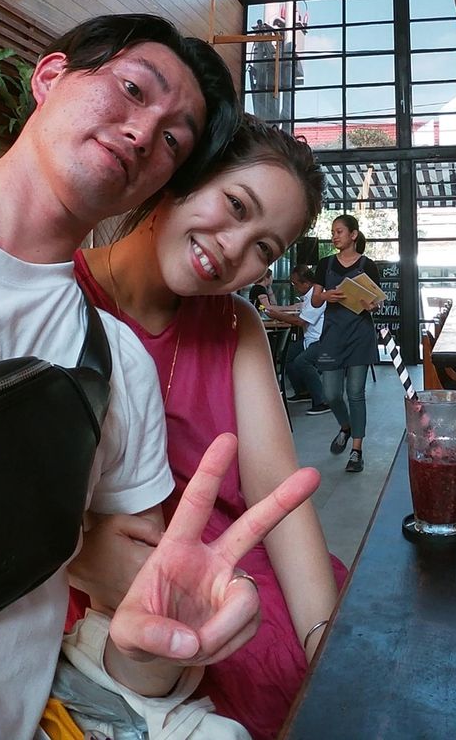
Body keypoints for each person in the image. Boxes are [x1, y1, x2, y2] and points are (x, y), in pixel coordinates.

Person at [0, 14, 320, 739]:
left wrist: (152, 650)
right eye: (132, 89)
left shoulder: (116, 365)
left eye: (174, 140)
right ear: (49, 76)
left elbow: (129, 610)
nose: (144, 131)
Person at [72, 116, 346, 740]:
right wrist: (77, 558)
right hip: (102, 592)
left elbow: (276, 492)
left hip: (234, 571)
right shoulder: (59, 292)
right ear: (183, 177)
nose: (233, 247)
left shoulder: (235, 325)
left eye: (264, 249)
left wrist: (323, 641)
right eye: (236, 205)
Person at [312, 215, 381, 475]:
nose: (334, 236)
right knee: (331, 394)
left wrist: (372, 305)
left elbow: (377, 302)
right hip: (333, 335)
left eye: (339, 231)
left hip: (360, 335)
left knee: (355, 393)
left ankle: (356, 451)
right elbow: (315, 301)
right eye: (333, 232)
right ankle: (346, 426)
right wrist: (326, 295)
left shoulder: (368, 265)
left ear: (353, 235)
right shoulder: (325, 264)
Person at [269, 264, 330, 415]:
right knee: (287, 356)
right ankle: (303, 391)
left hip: (321, 340)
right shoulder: (307, 296)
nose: (294, 287)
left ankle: (322, 401)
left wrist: (277, 315)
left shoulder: (317, 297)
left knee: (302, 361)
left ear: (306, 283)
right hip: (309, 338)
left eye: (295, 284)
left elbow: (301, 321)